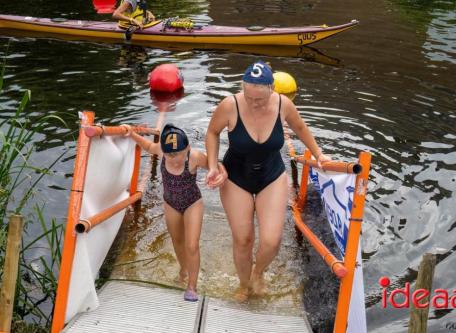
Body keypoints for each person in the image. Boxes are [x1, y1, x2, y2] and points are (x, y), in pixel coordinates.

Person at [205, 61, 331, 302]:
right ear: (243, 88)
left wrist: (319, 154)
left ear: (272, 89)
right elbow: (212, 132)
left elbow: (301, 128)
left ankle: (257, 273)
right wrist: (212, 165)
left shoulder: (284, 105)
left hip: (271, 176)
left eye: (260, 100)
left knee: (271, 241)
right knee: (243, 239)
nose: (254, 104)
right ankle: (244, 285)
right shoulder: (230, 105)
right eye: (250, 98)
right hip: (236, 177)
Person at [124, 123, 227, 301]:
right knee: (177, 240)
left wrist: (220, 174)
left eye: (178, 154)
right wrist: (131, 134)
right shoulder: (162, 152)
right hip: (170, 203)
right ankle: (183, 269)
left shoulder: (194, 157)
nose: (174, 159)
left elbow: (215, 164)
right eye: (169, 154)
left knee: (192, 245)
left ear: (187, 148)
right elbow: (148, 146)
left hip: (192, 203)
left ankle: (192, 286)